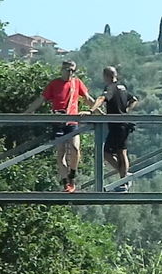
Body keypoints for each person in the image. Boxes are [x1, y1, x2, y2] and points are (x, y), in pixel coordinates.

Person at [25, 60, 95, 192]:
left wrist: (98, 112)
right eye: (68, 70)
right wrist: (27, 113)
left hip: (72, 121)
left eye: (73, 71)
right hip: (58, 122)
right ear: (62, 70)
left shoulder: (77, 83)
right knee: (61, 152)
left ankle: (72, 176)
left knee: (75, 149)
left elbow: (87, 98)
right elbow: (42, 99)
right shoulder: (54, 84)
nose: (71, 73)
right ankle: (66, 184)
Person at [87, 66, 138, 192]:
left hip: (116, 126)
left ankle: (124, 176)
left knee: (106, 153)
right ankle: (124, 179)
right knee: (122, 152)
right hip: (125, 124)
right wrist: (127, 109)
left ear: (106, 76)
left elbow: (101, 98)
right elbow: (134, 99)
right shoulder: (122, 88)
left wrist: (91, 110)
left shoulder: (110, 88)